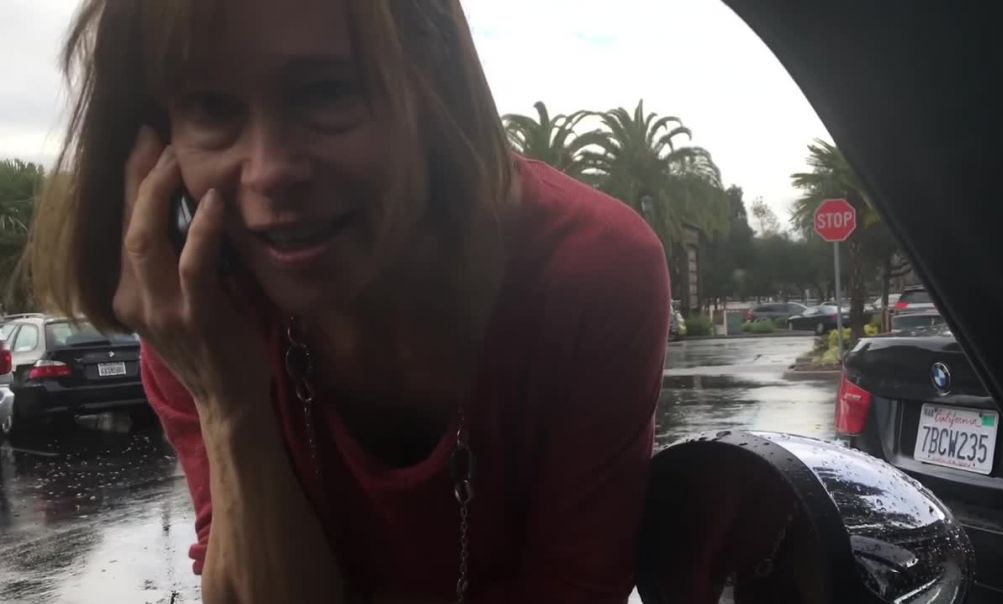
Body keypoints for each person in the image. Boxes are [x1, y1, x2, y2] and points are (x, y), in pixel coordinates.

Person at [29, 0, 670, 602]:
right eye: (212, 107)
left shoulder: (588, 272)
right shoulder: (198, 317)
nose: (269, 170)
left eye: (328, 91)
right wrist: (229, 405)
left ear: (434, 85)